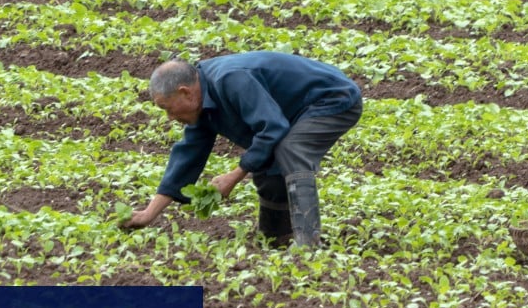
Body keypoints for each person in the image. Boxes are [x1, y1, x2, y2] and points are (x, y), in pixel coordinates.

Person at [121, 51, 363, 247]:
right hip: (299, 108)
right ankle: (276, 238)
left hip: (333, 98)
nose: (169, 116)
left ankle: (308, 241)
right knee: (268, 157)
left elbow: (273, 128)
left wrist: (233, 177)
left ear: (185, 92)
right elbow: (187, 158)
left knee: (290, 149)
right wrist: (148, 213)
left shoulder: (230, 80)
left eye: (167, 108)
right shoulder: (201, 105)